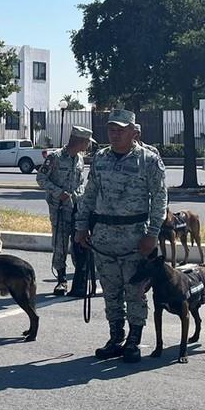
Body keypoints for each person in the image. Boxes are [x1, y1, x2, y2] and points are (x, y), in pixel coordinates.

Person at [75, 110, 168, 362]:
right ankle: (116, 337)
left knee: (135, 290)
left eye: (120, 130)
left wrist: (152, 234)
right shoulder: (101, 159)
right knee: (110, 291)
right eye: (111, 130)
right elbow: (89, 194)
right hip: (103, 238)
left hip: (135, 238)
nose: (114, 134)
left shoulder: (148, 160)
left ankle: (134, 341)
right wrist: (81, 227)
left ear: (134, 132)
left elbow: (159, 199)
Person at [43, 125, 94, 295]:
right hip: (59, 208)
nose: (88, 146)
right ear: (79, 141)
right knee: (60, 244)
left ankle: (79, 278)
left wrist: (80, 197)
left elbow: (80, 182)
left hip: (76, 208)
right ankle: (61, 280)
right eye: (87, 142)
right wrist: (59, 193)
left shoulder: (80, 159)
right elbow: (41, 178)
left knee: (78, 243)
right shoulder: (55, 157)